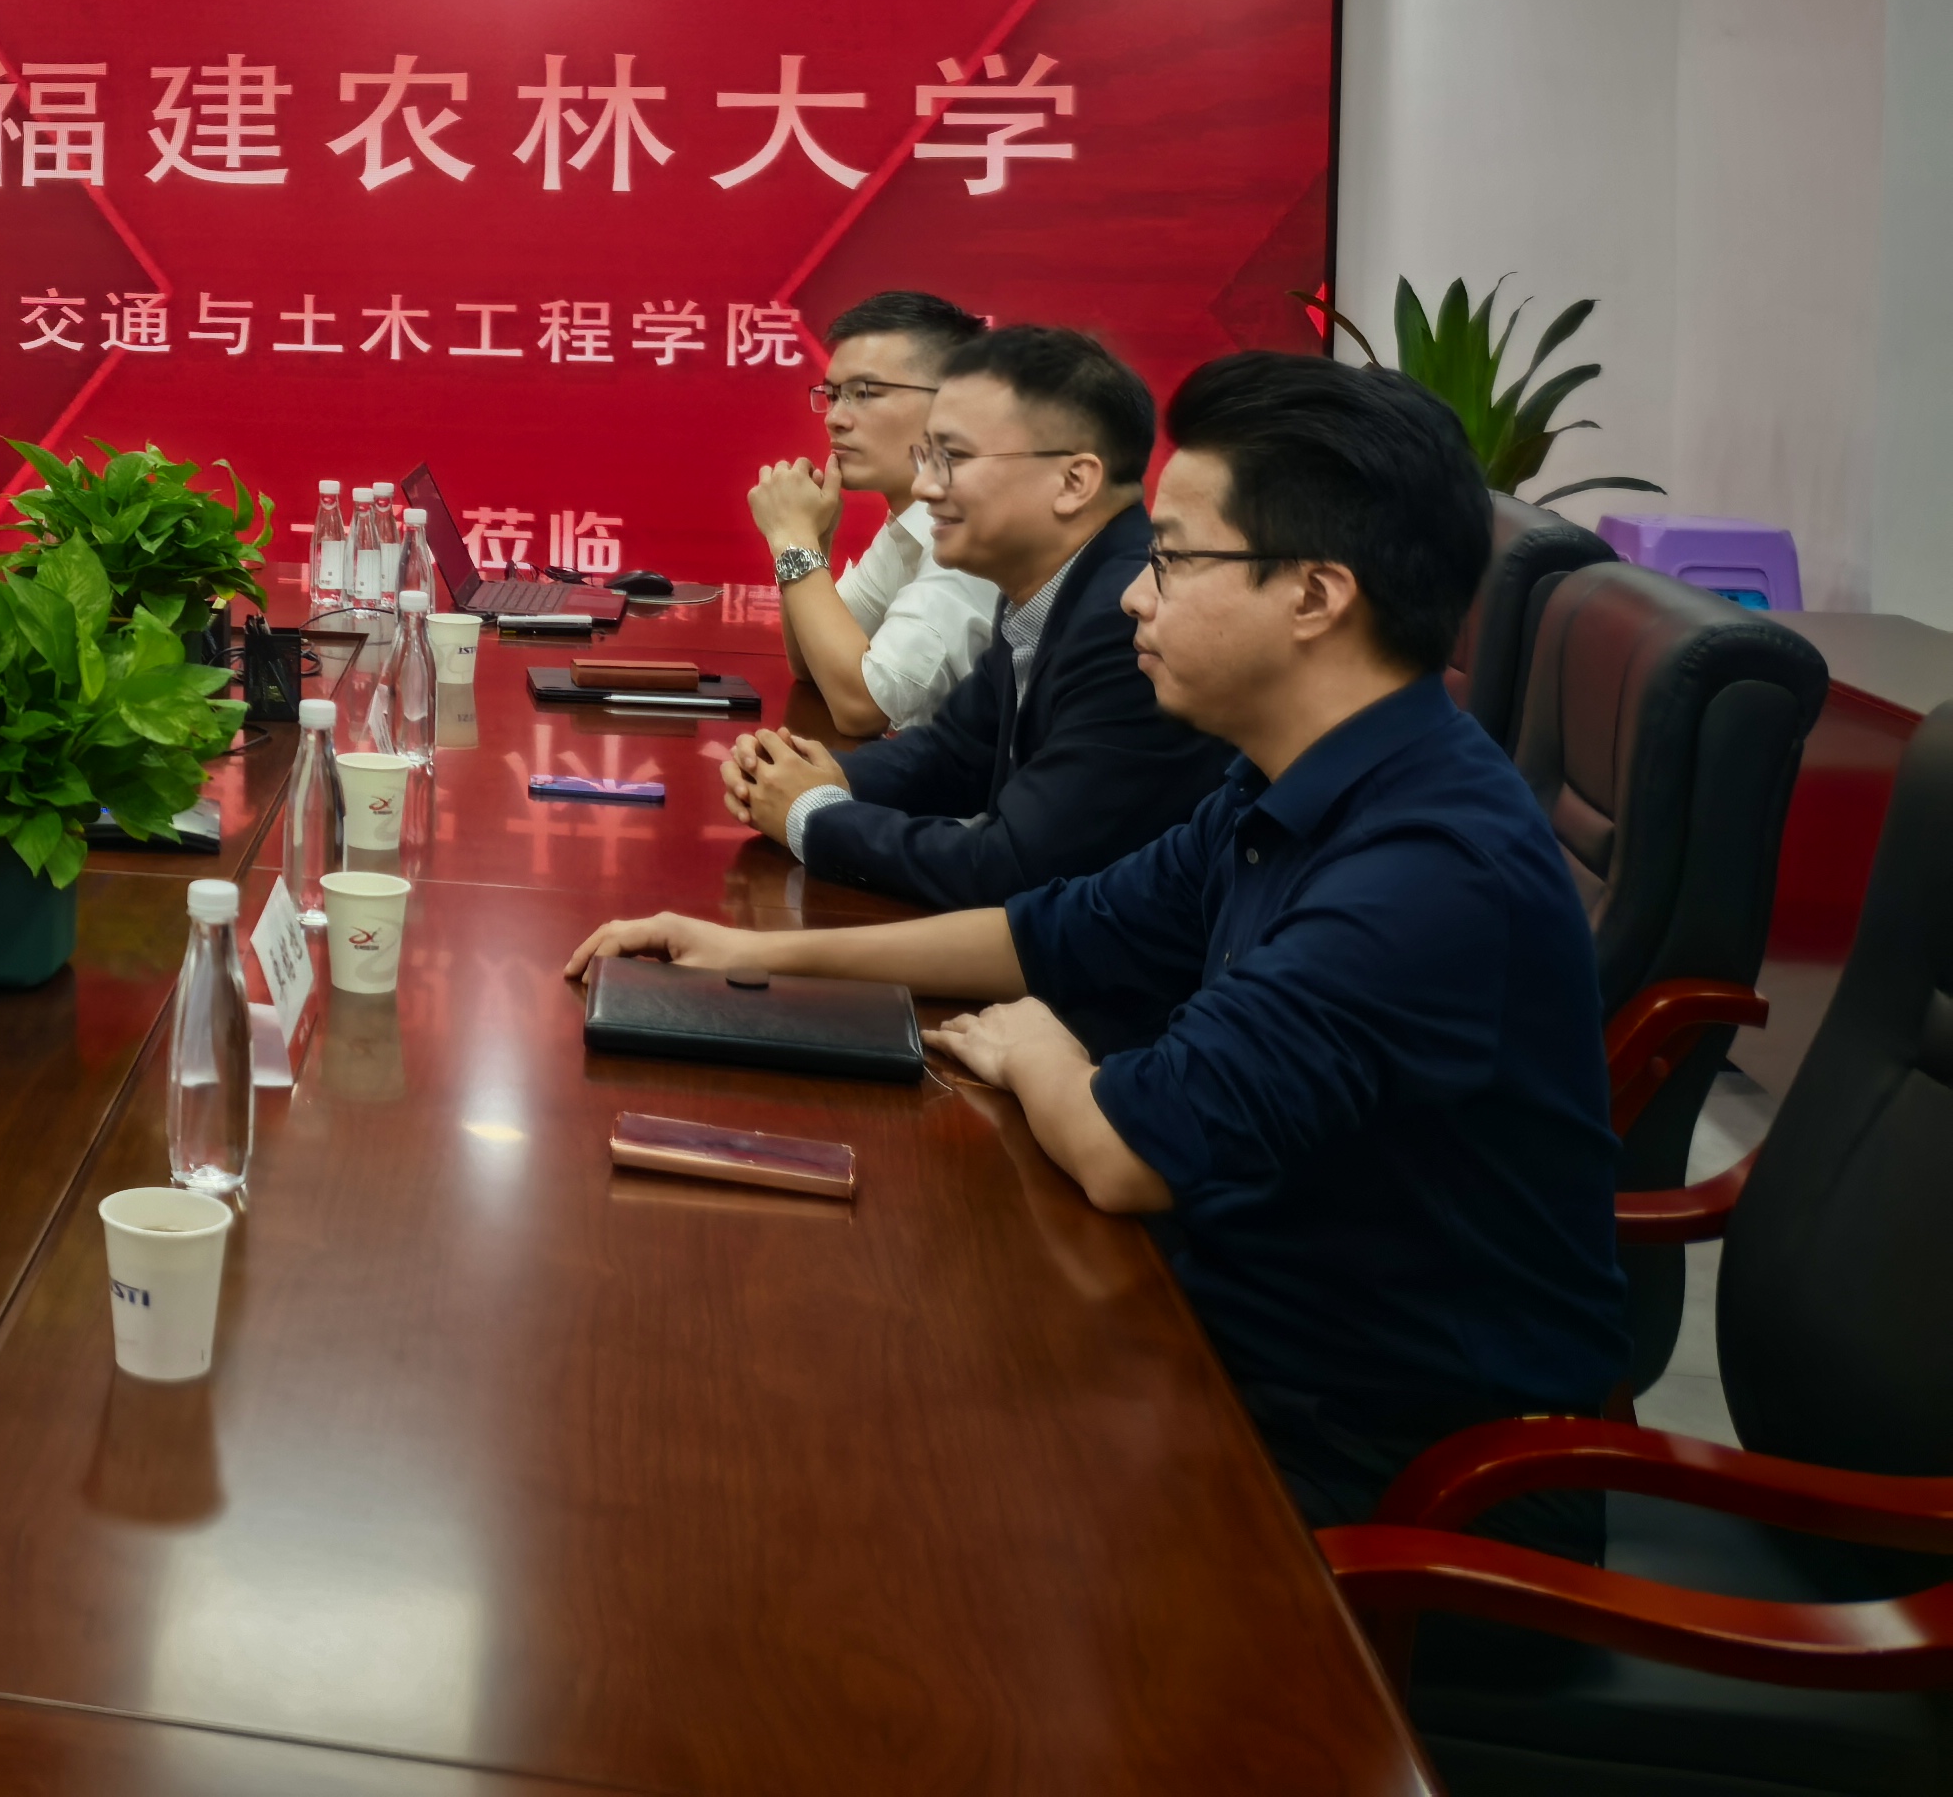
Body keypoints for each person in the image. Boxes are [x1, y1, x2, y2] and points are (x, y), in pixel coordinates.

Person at [573, 354, 1624, 1532]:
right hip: (1231, 1335)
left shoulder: (1422, 872)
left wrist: (1039, 1056)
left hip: (1375, 1472)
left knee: (836, 1462)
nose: (1133, 596)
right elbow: (1048, 931)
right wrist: (744, 956)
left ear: (1315, 596)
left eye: (1172, 559)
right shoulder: (1291, 777)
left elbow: (1127, 1149)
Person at [716, 325, 1231, 905]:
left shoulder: (1127, 620)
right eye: (928, 457)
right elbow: (958, 754)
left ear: (1073, 481)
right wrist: (819, 774)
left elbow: (1013, 869)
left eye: (953, 459)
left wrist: (810, 814)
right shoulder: (1042, 584)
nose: (925, 486)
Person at [745, 289, 1000, 738]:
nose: (834, 419)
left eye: (862, 394)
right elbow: (813, 666)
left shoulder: (975, 534)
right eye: (832, 395)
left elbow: (862, 706)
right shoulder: (915, 522)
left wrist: (792, 538)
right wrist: (814, 540)